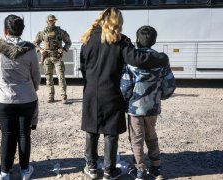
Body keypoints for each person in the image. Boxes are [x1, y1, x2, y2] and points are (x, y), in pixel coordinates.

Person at [79, 7, 169, 180]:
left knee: (91, 130)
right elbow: (138, 59)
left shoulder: (87, 39)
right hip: (112, 92)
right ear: (117, 22)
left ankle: (90, 167)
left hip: (91, 91)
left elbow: (83, 67)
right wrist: (162, 58)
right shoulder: (121, 41)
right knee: (110, 133)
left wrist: (91, 82)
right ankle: (109, 171)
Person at [0, 14, 40, 180]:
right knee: (24, 134)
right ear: (22, 30)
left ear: (5, 30)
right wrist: (33, 88)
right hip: (27, 98)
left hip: (3, 99)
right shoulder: (30, 49)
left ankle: (4, 172)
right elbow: (36, 76)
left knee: (7, 134)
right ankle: (25, 171)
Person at [120, 26, 176, 180]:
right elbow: (170, 85)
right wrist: (160, 97)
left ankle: (139, 170)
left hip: (134, 109)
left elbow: (125, 87)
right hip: (153, 108)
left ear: (137, 40)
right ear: (154, 41)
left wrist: (125, 101)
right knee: (151, 136)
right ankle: (156, 168)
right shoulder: (162, 59)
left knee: (137, 139)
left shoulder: (131, 60)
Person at [34, 14, 71, 104]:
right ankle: (51, 96)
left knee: (61, 77)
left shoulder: (60, 32)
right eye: (50, 21)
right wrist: (41, 50)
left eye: (53, 21)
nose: (52, 22)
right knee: (48, 78)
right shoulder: (42, 33)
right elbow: (35, 43)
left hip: (57, 57)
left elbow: (68, 42)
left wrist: (63, 49)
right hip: (47, 57)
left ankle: (63, 96)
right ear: (47, 21)